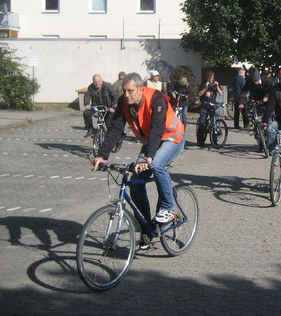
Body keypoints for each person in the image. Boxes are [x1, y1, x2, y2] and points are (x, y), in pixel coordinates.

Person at [93, 72, 186, 250]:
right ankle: (147, 229)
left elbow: (157, 128)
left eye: (130, 91)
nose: (126, 95)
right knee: (135, 181)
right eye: (124, 91)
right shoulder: (124, 102)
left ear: (141, 90)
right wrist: (103, 155)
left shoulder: (156, 98)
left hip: (172, 138)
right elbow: (115, 128)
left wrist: (149, 157)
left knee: (157, 164)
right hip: (151, 141)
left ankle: (168, 207)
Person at [197, 70, 223, 146]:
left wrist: (217, 86)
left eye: (212, 78)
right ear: (207, 77)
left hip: (213, 106)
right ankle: (200, 141)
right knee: (202, 123)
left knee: (215, 123)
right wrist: (205, 88)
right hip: (204, 106)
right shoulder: (203, 84)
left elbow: (221, 93)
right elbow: (199, 94)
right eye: (209, 78)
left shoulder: (215, 84)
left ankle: (214, 141)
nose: (211, 80)